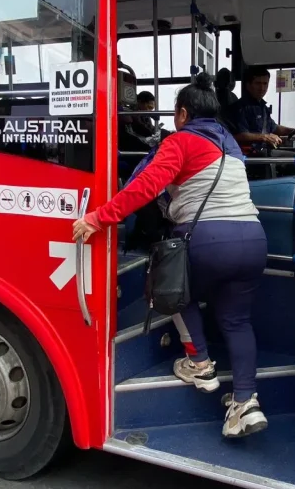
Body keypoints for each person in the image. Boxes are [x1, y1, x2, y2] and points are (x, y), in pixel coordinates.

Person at [73, 73, 270, 438]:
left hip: (211, 239)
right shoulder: (231, 144)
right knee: (237, 321)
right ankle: (245, 402)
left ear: (182, 114)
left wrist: (99, 218)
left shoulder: (181, 141)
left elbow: (146, 186)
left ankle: (199, 362)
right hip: (254, 239)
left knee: (170, 285)